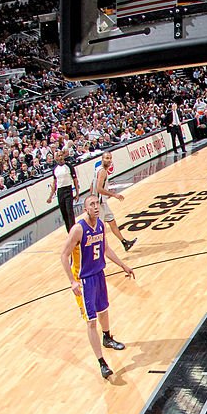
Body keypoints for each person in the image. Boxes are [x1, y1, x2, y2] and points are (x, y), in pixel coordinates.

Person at [60, 195, 135, 379]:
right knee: (91, 321)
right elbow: (63, 255)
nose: (95, 207)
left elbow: (106, 250)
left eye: (96, 204)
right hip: (84, 280)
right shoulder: (78, 229)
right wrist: (72, 281)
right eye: (91, 205)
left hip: (99, 274)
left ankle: (107, 337)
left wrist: (123, 265)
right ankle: (102, 363)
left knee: (104, 310)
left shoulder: (100, 225)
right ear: (85, 209)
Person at [93, 152, 137, 252]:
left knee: (112, 223)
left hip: (101, 202)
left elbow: (92, 185)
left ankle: (124, 242)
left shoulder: (98, 169)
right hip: (99, 204)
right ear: (102, 159)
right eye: (107, 158)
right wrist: (114, 195)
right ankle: (97, 250)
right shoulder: (102, 172)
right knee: (98, 229)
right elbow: (99, 189)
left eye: (110, 158)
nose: (109, 160)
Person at [47, 151, 78, 232]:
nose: (60, 157)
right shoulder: (55, 169)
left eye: (61, 155)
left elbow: (75, 180)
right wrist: (50, 197)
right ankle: (69, 232)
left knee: (70, 212)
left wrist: (77, 193)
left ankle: (73, 231)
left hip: (68, 190)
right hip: (60, 192)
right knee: (64, 213)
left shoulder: (69, 166)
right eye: (58, 156)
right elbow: (54, 184)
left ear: (63, 156)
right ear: (56, 158)